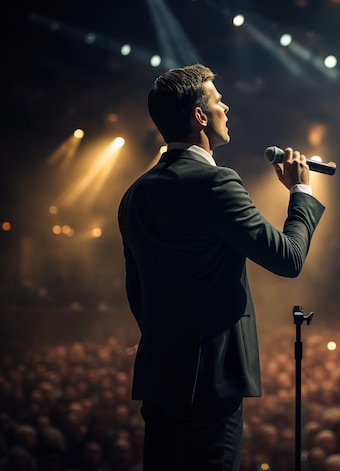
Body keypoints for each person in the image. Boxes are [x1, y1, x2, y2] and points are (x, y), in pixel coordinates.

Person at [117, 63, 325, 470]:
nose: (225, 107)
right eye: (217, 100)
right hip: (210, 380)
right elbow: (288, 258)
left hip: (160, 377)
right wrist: (300, 191)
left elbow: (137, 290)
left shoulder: (135, 193)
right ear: (199, 116)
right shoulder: (214, 182)